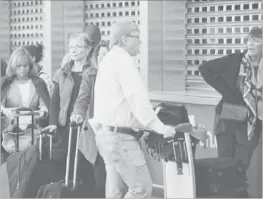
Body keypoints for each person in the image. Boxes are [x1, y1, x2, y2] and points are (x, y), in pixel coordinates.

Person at [71, 20, 176, 198]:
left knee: (115, 192)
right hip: (121, 138)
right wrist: (161, 128)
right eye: (137, 37)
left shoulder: (109, 60)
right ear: (125, 39)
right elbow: (137, 100)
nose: (140, 42)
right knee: (141, 189)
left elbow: (118, 104)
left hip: (106, 136)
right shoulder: (123, 61)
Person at [199, 27, 262, 178]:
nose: (251, 44)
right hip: (229, 118)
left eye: (256, 40)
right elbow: (205, 68)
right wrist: (226, 92)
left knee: (241, 167)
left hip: (250, 123)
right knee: (224, 165)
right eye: (249, 40)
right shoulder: (236, 60)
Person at [70, 40, 109, 197]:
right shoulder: (91, 74)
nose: (101, 58)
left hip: (117, 132)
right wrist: (78, 113)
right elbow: (82, 99)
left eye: (105, 54)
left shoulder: (122, 76)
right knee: (99, 178)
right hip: (96, 131)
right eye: (99, 55)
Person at [1, 47, 49, 158]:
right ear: (13, 66)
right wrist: (6, 111)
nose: (22, 69)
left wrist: (42, 112)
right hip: (10, 134)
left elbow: (44, 106)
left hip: (32, 132)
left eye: (25, 66)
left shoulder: (38, 82)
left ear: (30, 65)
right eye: (18, 66)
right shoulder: (5, 83)